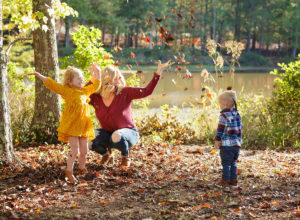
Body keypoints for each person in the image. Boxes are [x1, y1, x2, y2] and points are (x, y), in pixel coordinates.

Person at [88, 60, 174, 167]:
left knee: (117, 135)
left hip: (128, 133)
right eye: (116, 78)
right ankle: (106, 155)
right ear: (107, 80)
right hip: (107, 134)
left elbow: (147, 91)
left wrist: (158, 72)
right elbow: (82, 95)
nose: (119, 80)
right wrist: (94, 77)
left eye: (119, 77)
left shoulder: (125, 92)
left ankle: (125, 156)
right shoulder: (96, 97)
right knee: (88, 138)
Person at [28, 64, 101, 183]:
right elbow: (53, 85)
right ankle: (69, 171)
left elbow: (97, 85)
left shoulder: (84, 91)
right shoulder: (67, 91)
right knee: (74, 150)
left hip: (84, 126)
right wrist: (40, 76)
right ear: (70, 81)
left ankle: (82, 169)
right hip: (72, 126)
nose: (82, 79)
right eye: (78, 78)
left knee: (84, 151)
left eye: (82, 77)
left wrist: (98, 73)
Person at [214, 89, 242, 186]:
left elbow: (220, 129)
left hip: (226, 145)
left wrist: (217, 140)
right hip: (236, 144)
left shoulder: (224, 115)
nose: (219, 106)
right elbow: (240, 129)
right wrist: (239, 141)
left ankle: (225, 181)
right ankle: (233, 180)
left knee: (226, 163)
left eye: (220, 104)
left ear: (224, 104)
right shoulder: (237, 114)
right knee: (233, 162)